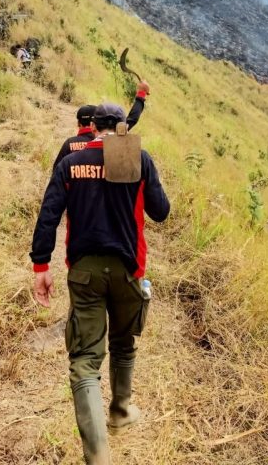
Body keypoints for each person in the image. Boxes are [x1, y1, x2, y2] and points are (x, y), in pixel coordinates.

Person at [30, 103, 170, 464]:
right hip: (128, 269)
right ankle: (121, 412)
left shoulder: (71, 163)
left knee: (85, 363)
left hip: (84, 272)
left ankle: (98, 457)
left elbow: (49, 213)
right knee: (124, 343)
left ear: (92, 126)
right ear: (121, 127)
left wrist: (40, 265)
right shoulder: (138, 157)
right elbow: (161, 211)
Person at [52, 81, 150, 169]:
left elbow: (57, 175)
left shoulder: (69, 144)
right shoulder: (115, 140)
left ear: (92, 125)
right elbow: (132, 118)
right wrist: (141, 94)